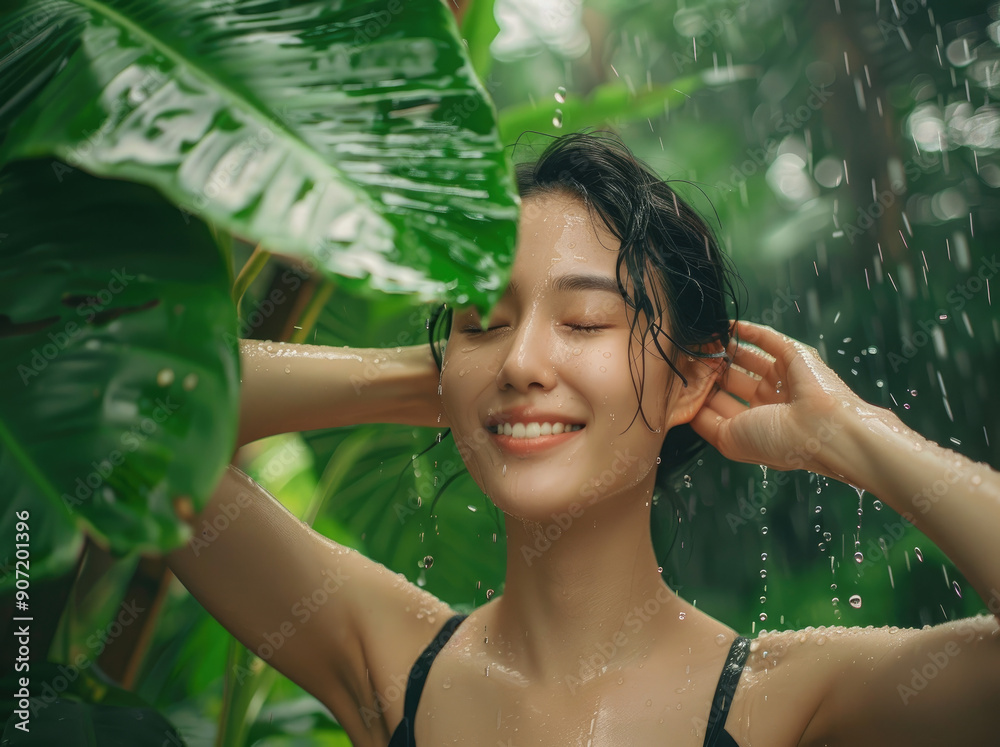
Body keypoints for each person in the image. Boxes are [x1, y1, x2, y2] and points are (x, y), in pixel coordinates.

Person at [167, 132, 1000, 746]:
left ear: (690, 381)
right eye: (484, 320)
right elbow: (138, 405)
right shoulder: (392, 665)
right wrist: (439, 379)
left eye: (587, 320)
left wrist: (852, 434)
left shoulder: (785, 702)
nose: (525, 357)